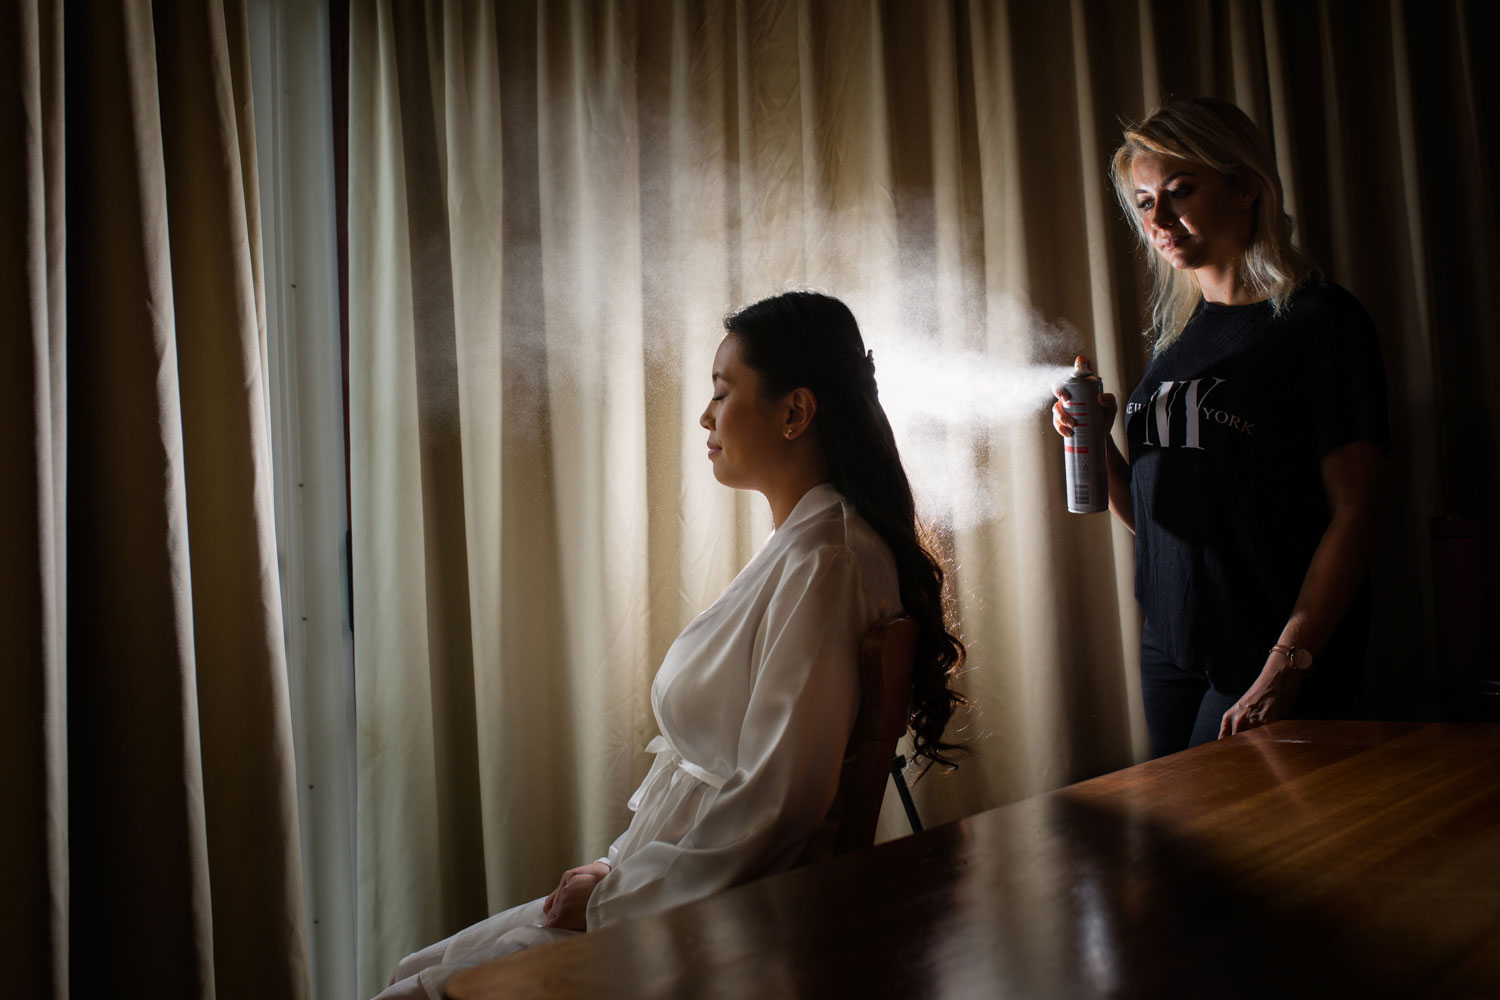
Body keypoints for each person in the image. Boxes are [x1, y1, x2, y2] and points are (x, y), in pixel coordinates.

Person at [378, 291, 966, 998]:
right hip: (670, 887)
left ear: (795, 412)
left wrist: (613, 901)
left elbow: (781, 805)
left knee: (417, 991)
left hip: (715, 918)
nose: (705, 416)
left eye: (723, 393)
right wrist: (617, 880)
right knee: (413, 973)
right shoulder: (811, 546)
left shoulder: (826, 562)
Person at [1052, 97, 1388, 758]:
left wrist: (1288, 661)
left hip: (1265, 647)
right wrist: (1092, 443)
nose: (1159, 218)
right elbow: (1156, 517)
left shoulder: (1321, 321)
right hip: (1171, 649)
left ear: (1244, 187)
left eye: (1180, 191)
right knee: (1185, 855)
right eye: (1145, 202)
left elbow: (1357, 514)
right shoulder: (1181, 342)